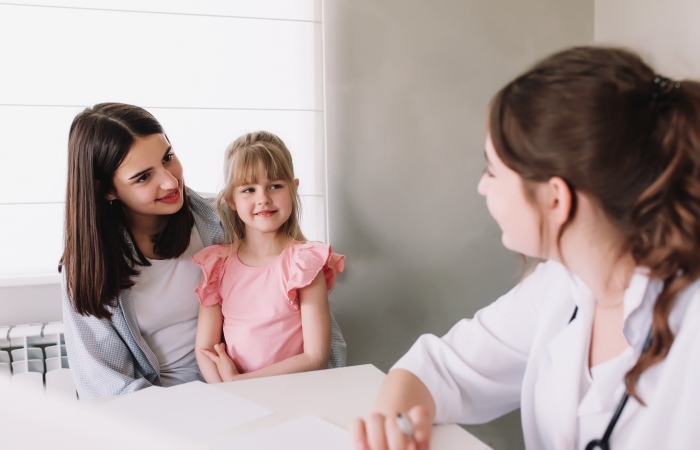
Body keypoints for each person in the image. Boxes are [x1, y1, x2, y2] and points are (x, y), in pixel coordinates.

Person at [352, 47, 700, 450]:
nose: (482, 187)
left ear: (556, 199)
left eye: (492, 171)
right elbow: (435, 370)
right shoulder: (561, 283)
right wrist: (396, 432)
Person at [61, 104, 346, 399]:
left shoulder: (228, 218)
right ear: (106, 190)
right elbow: (105, 385)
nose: (171, 182)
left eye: (168, 158)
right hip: (161, 412)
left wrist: (315, 395)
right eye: (144, 177)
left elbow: (313, 337)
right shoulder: (89, 268)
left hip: (257, 395)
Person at [193, 131, 345, 382]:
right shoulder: (217, 266)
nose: (263, 199)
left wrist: (242, 383)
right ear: (230, 199)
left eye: (275, 186)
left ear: (293, 189)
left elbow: (315, 357)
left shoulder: (304, 264)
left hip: (294, 391)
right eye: (249, 189)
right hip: (233, 396)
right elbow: (205, 348)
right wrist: (226, 389)